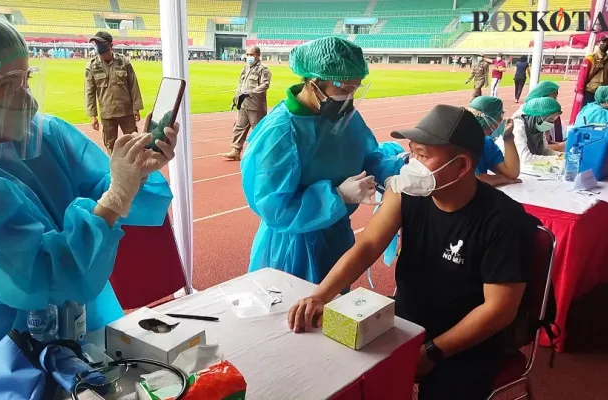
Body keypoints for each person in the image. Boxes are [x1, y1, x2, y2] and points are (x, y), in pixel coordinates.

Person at [0, 9, 178, 389]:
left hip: (84, 333)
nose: (27, 99)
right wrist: (118, 193)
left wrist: (137, 169)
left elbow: (105, 185)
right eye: (9, 83)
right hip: (5, 364)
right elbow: (42, 277)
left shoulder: (43, 135)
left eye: (25, 79)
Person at [288, 104, 537, 400]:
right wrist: (321, 294)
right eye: (412, 152)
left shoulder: (504, 220)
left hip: (470, 336)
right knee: (339, 370)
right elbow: (368, 244)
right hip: (405, 318)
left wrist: (432, 352)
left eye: (423, 156)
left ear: (462, 165)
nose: (411, 165)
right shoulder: (407, 193)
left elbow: (498, 310)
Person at [240, 37, 404, 284]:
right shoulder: (281, 131)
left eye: (355, 89)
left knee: (335, 312)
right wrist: (336, 195)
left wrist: (402, 166)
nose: (349, 98)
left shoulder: (341, 117)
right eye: (345, 89)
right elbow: (275, 208)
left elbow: (366, 158)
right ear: (315, 82)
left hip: (336, 235)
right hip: (293, 246)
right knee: (296, 316)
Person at [85, 31, 144, 155]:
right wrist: (93, 116)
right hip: (107, 114)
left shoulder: (123, 62)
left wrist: (136, 108)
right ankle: (115, 171)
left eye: (101, 45)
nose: (101, 54)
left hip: (126, 111)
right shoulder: (92, 66)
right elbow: (90, 92)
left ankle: (136, 171)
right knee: (111, 146)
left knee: (133, 143)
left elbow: (133, 85)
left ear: (110, 46)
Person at [222, 46, 272, 160]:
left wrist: (251, 92)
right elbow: (240, 84)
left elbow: (265, 85)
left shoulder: (263, 69)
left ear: (258, 55)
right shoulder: (245, 68)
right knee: (239, 127)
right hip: (243, 104)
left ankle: (261, 154)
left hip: (256, 106)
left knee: (258, 130)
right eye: (247, 54)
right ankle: (235, 150)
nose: (249, 57)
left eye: (251, 54)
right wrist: (236, 97)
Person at [466, 96, 520, 187]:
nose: (501, 121)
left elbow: (512, 173)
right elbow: (474, 180)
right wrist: (503, 179)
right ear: (488, 118)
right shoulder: (463, 141)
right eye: (499, 116)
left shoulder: (486, 143)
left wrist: (508, 137)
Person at [506, 97, 564, 164]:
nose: (551, 124)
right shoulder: (518, 125)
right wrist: (555, 158)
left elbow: (544, 150)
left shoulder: (538, 126)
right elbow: (525, 158)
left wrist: (559, 155)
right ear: (538, 117)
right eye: (550, 120)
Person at [570, 35, 608, 124]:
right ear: (599, 43)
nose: (606, 44)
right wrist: (580, 91)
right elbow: (583, 76)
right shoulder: (591, 58)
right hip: (590, 91)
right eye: (604, 41)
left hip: (602, 94)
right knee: (588, 114)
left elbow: (607, 76)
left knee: (599, 114)